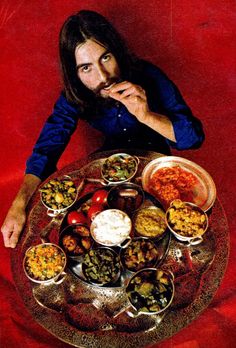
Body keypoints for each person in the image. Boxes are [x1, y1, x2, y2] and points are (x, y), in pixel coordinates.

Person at [1, 10, 204, 248]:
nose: (104, 77)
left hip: (156, 168)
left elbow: (193, 138)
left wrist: (146, 115)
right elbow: (47, 147)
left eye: (106, 58)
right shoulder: (76, 94)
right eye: (86, 68)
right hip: (109, 169)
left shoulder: (148, 75)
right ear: (75, 74)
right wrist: (20, 203)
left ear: (116, 52)